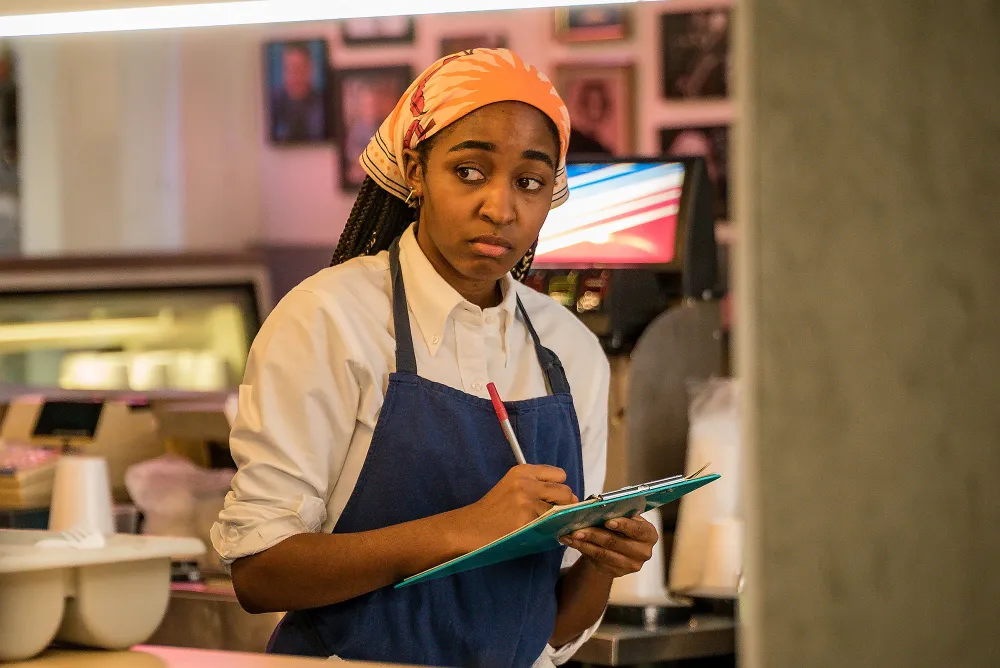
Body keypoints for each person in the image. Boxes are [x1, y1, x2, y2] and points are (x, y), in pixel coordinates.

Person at [212, 48, 659, 667]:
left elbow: (548, 633)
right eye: (470, 171)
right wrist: (461, 529)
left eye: (528, 182)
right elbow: (260, 575)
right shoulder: (328, 320)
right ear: (417, 171)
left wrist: (604, 565)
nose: (500, 208)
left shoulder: (571, 351)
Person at [270, 42, 325, 142]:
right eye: (288, 70)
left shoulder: (323, 105)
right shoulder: (272, 103)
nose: (292, 77)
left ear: (310, 70)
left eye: (298, 69)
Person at [567, 80, 613, 156]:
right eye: (591, 104)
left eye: (599, 105)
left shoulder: (602, 150)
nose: (594, 110)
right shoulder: (569, 142)